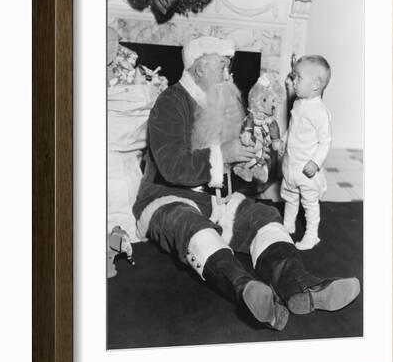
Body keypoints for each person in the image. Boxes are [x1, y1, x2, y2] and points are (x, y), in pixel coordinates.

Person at [133, 37, 360, 331]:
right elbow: (171, 167)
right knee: (188, 225)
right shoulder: (171, 103)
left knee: (265, 217)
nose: (229, 75)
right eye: (222, 67)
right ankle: (247, 290)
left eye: (230, 67)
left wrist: (248, 164)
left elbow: (230, 166)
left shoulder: (226, 101)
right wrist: (224, 154)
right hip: (168, 197)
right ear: (199, 68)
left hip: (218, 199)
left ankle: (301, 287)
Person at [278, 55, 332, 250]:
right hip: (291, 164)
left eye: (298, 77)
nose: (294, 81)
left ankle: (311, 235)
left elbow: (325, 141)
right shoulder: (299, 103)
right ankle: (288, 225)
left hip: (306, 169)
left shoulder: (319, 111)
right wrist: (283, 141)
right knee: (290, 195)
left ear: (316, 85)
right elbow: (293, 129)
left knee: (309, 203)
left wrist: (315, 163)